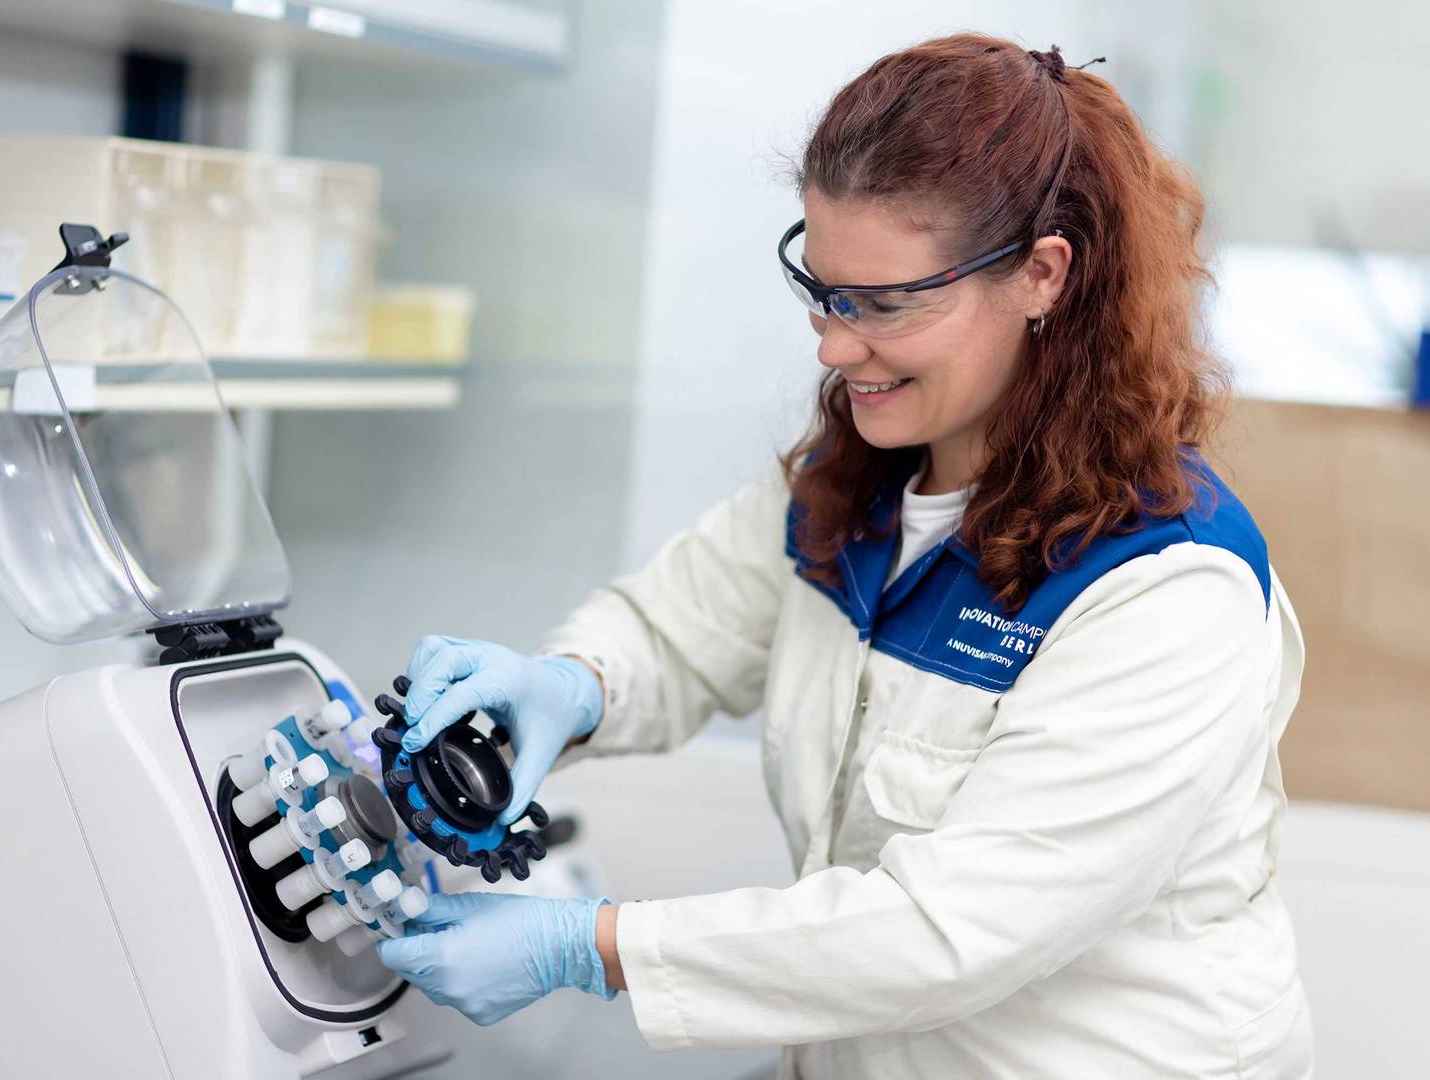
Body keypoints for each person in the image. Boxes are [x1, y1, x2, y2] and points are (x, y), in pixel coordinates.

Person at [375, 34, 1314, 1079]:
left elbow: (948, 930)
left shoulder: (1166, 586)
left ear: (1043, 275)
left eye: (886, 304)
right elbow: (678, 629)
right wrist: (568, 686)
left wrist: (590, 947)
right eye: (822, 289)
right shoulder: (859, 478)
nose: (832, 344)